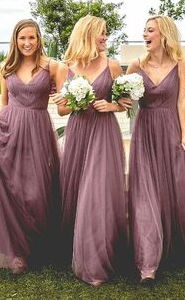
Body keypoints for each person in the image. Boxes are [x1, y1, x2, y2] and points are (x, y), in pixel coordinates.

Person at [0, 19, 61, 274]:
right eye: (23, 38)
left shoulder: (51, 66)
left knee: (37, 191)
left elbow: (62, 105)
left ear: (39, 39)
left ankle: (39, 245)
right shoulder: (6, 68)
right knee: (15, 189)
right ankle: (17, 253)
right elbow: (4, 103)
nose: (27, 43)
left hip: (39, 131)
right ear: (15, 40)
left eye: (32, 38)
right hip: (11, 130)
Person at [119, 15, 185, 283]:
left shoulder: (179, 63)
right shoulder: (135, 65)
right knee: (146, 193)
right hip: (145, 132)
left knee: (179, 190)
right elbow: (120, 97)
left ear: (163, 34)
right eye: (143, 30)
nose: (145, 34)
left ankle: (181, 245)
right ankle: (147, 263)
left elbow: (181, 102)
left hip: (171, 131)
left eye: (150, 30)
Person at [52, 15, 132, 286]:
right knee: (77, 189)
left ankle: (95, 261)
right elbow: (62, 110)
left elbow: (125, 102)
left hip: (104, 133)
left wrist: (112, 106)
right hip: (79, 132)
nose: (105, 37)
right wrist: (78, 100)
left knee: (97, 192)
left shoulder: (112, 66)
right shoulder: (67, 67)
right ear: (87, 34)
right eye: (102, 32)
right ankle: (76, 250)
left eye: (106, 33)